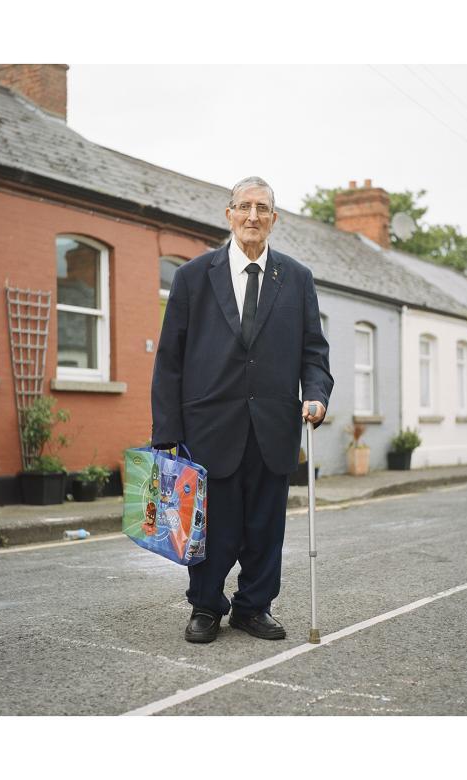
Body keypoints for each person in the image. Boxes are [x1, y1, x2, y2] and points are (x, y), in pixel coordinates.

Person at [151, 176, 334, 643]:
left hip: (273, 426)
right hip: (210, 426)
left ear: (275, 219)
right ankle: (206, 607)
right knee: (211, 529)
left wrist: (316, 393)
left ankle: (254, 607)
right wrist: (166, 433)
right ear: (228, 214)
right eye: (244, 207)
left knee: (265, 528)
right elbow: (170, 358)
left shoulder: (297, 278)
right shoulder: (193, 277)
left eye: (262, 208)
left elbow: (314, 351)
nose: (253, 216)